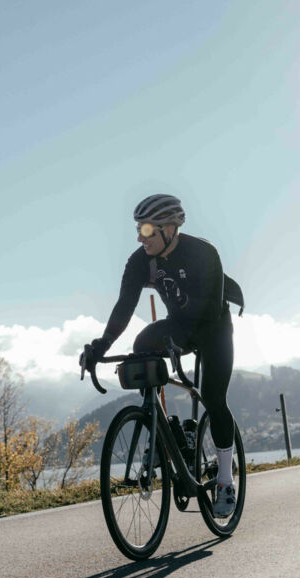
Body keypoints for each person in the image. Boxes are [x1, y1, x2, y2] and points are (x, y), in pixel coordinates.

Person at [81, 194, 239, 518]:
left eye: (148, 230)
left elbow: (208, 314)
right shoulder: (140, 261)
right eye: (139, 229)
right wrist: (100, 347)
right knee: (142, 346)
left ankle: (225, 480)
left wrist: (177, 349)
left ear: (170, 228)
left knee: (212, 396)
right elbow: (124, 306)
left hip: (214, 328)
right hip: (179, 325)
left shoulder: (204, 253)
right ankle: (166, 434)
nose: (140, 237)